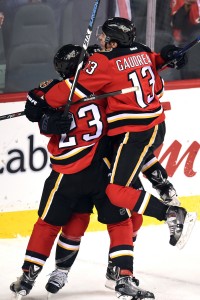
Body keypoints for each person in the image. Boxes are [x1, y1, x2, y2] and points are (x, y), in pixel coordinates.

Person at [33, 17, 196, 297]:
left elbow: (70, 92)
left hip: (130, 133)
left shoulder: (102, 63)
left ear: (113, 41)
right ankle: (162, 190)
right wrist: (166, 57)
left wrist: (40, 100)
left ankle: (170, 212)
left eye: (104, 37)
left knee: (119, 194)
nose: (99, 41)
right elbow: (153, 60)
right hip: (150, 125)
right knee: (129, 206)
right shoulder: (141, 51)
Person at [10, 44, 155, 300]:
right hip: (101, 171)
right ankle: (123, 276)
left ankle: (28, 277)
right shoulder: (101, 86)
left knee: (49, 224)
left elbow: (35, 103)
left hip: (66, 174)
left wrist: (44, 119)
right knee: (120, 221)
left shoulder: (56, 90)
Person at [170, 0, 200, 78]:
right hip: (189, 39)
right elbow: (177, 24)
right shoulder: (181, 2)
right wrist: (187, 5)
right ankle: (194, 76)